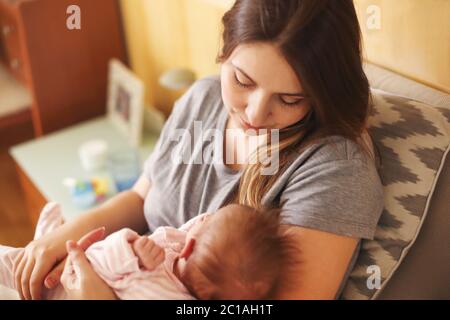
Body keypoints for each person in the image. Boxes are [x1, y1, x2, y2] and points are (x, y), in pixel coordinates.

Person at [11, 0, 384, 300]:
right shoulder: (203, 98)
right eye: (242, 80)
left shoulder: (336, 168)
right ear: (225, 51)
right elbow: (141, 199)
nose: (254, 113)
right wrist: (64, 241)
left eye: (289, 99)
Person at [1, 203, 294, 299]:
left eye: (208, 220)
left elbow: (113, 261)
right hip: (78, 270)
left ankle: (46, 236)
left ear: (189, 245)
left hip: (76, 282)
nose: (204, 217)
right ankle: (47, 235)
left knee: (11, 264)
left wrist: (131, 248)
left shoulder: (158, 264)